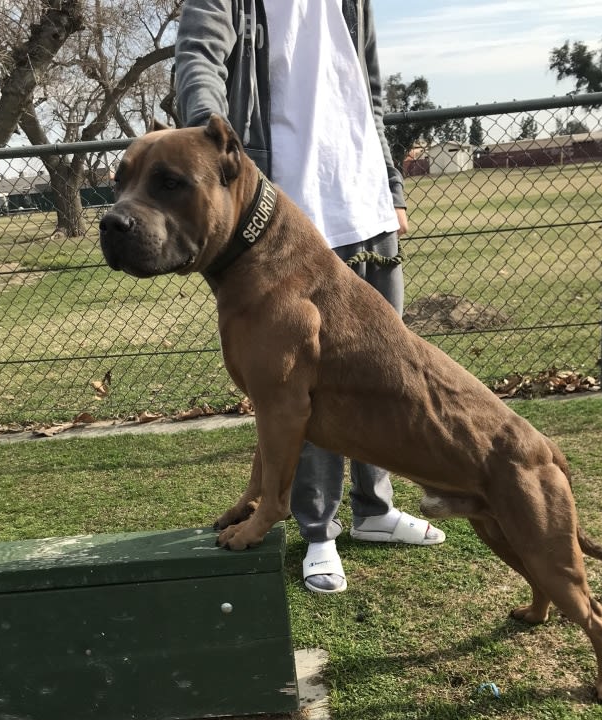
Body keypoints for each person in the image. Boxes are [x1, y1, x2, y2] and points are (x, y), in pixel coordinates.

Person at [174, 0, 444, 593]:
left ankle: (375, 511)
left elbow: (368, 89)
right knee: (304, 384)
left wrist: (391, 185)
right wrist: (207, 133)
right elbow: (197, 55)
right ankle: (318, 532)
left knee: (381, 374)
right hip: (288, 213)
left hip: (366, 201)